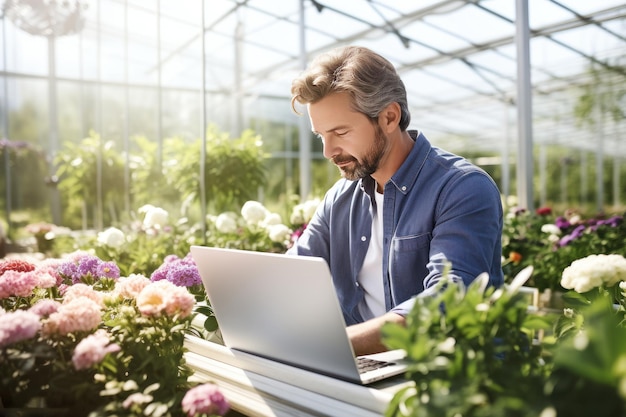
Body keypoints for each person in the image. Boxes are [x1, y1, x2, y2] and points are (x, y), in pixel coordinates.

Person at [288, 46, 504, 356]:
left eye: (341, 132)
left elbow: (448, 300)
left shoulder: (462, 188)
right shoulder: (340, 199)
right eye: (321, 135)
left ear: (389, 117)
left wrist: (337, 345)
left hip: (444, 376)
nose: (328, 151)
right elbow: (295, 270)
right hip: (361, 367)